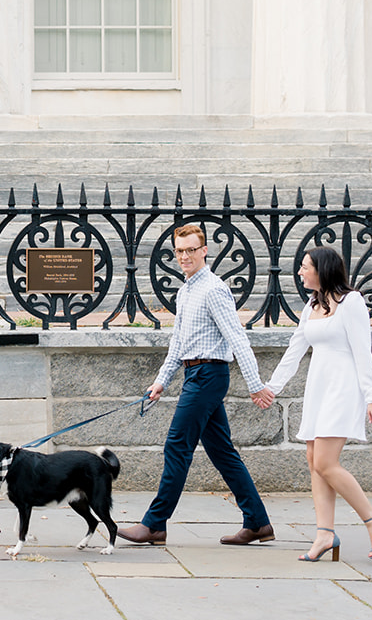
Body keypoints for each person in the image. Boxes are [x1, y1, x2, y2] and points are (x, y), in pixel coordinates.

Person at [118, 223, 277, 546]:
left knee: (177, 446)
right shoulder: (186, 290)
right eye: (180, 251)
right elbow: (178, 342)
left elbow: (237, 338)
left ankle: (154, 524)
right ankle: (258, 523)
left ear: (204, 251)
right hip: (195, 374)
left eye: (191, 249)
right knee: (223, 453)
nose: (185, 256)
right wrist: (161, 381)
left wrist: (255, 384)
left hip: (209, 375)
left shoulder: (214, 289)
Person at [263, 244, 372, 562]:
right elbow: (296, 348)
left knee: (326, 462)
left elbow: (363, 351)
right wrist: (272, 387)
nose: (300, 272)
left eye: (305, 266)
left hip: (344, 386)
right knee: (314, 461)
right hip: (319, 386)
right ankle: (325, 533)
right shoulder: (311, 304)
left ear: (323, 269)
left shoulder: (351, 302)